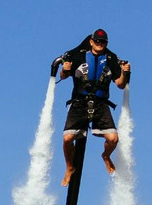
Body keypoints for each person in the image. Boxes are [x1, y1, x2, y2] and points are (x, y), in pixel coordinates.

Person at [55, 28, 130, 184]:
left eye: (103, 42)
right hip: (79, 102)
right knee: (68, 138)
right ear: (91, 41)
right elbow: (63, 76)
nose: (99, 44)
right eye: (97, 41)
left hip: (101, 104)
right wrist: (64, 69)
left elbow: (120, 85)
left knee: (113, 138)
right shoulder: (78, 55)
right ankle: (69, 167)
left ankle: (106, 156)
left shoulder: (110, 59)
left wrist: (125, 73)